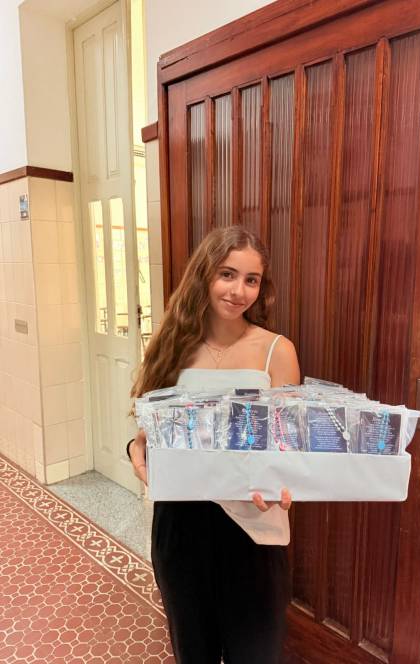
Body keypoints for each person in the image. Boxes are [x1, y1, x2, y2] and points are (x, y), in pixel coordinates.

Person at [128, 226, 301, 664]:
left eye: (251, 279)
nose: (238, 291)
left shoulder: (277, 351)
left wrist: (290, 481)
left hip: (253, 529)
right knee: (193, 652)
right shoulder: (172, 344)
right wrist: (135, 448)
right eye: (227, 274)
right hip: (180, 525)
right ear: (204, 274)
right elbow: (150, 429)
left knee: (256, 654)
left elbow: (289, 444)